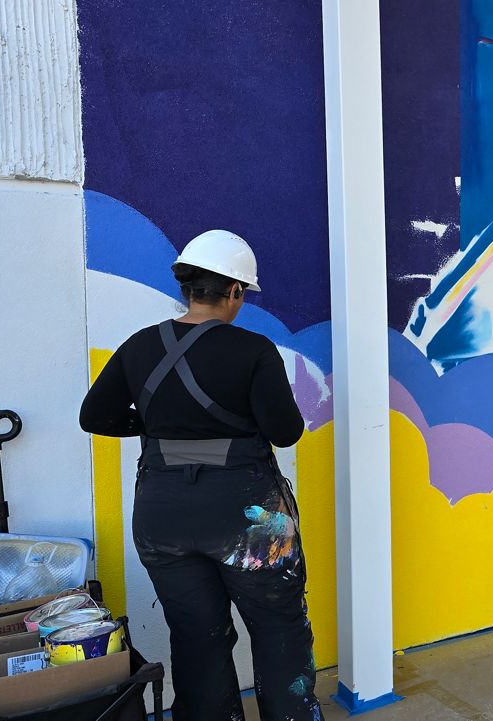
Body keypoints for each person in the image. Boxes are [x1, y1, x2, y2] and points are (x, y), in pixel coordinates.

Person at [80, 230, 322, 721]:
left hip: (162, 513)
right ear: (234, 291)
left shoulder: (139, 346)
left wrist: (151, 425)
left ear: (187, 287)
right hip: (246, 515)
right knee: (278, 626)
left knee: (196, 630)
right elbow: (285, 431)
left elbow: (95, 417)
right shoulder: (253, 351)